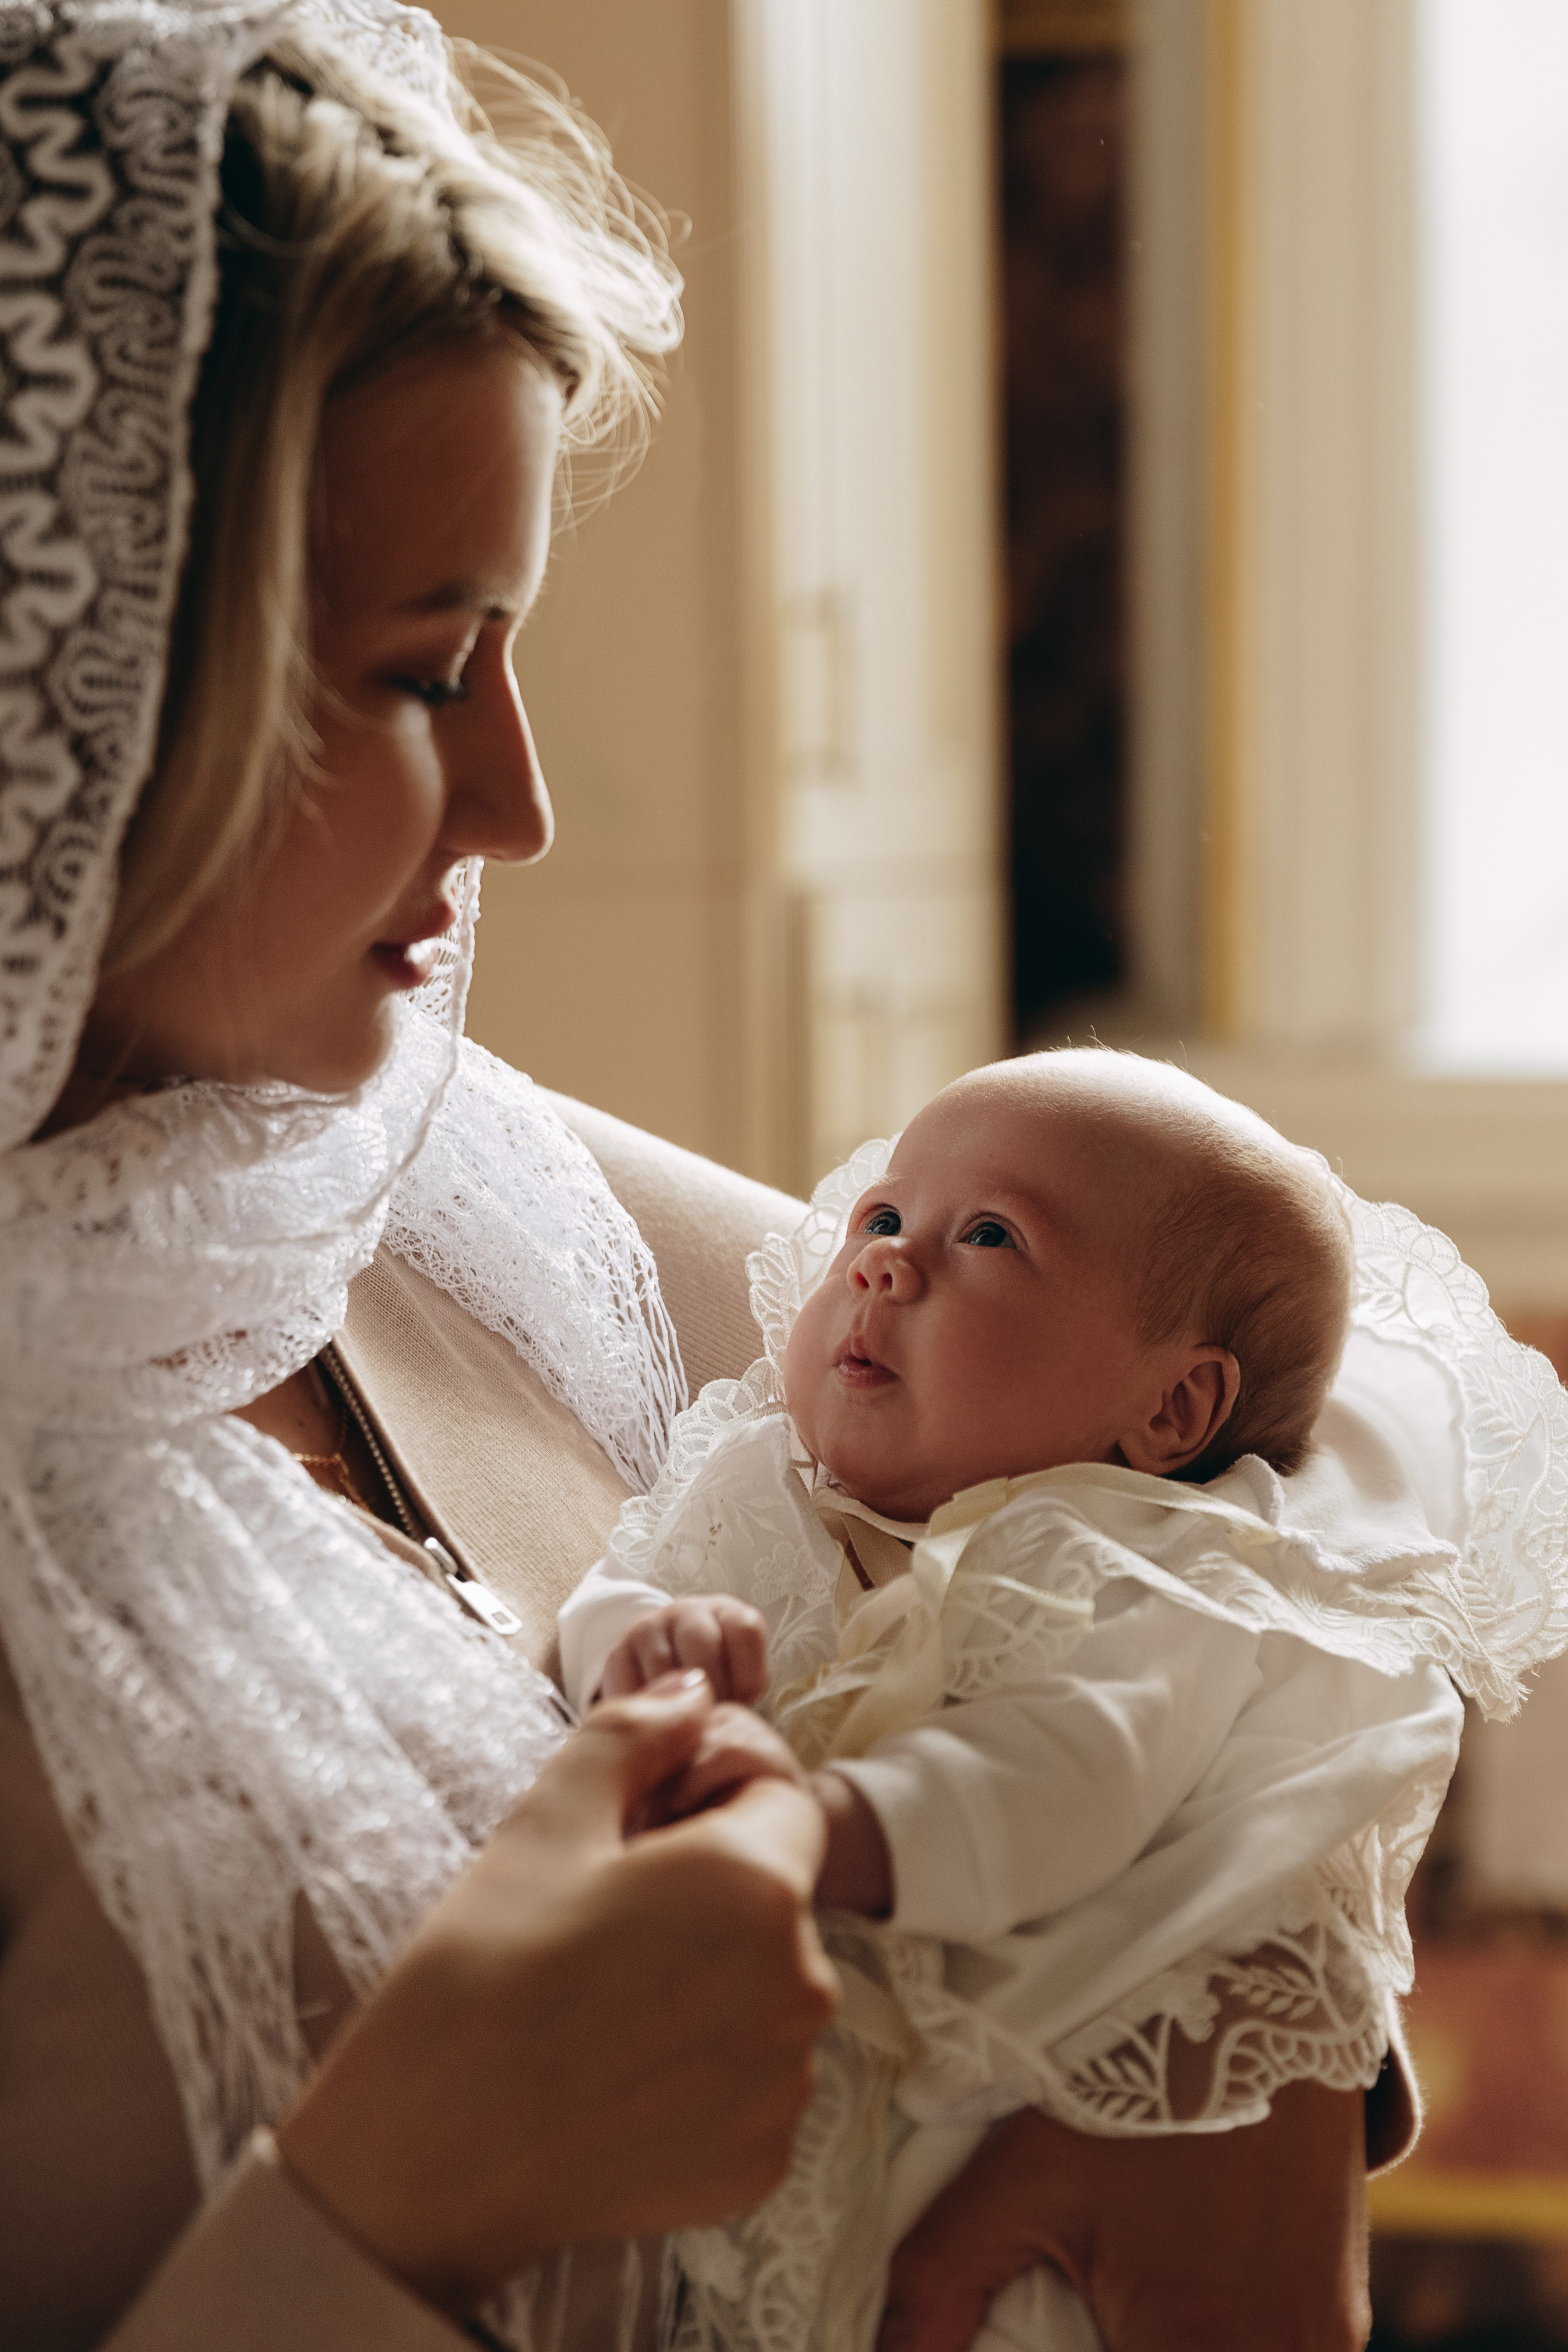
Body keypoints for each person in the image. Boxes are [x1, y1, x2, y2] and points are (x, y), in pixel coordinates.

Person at [0, 2, 1558, 2347]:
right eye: (425, 669)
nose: (520, 802)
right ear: (73, 691)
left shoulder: (401, 1156)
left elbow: (1292, 1404)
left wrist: (1252, 2029)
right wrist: (385, 2203)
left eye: (511, 646)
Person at [560, 1054, 1559, 2350]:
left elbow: (1075, 1774)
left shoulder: (1154, 1570)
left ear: (1172, 1409)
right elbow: (616, 1584)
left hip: (988, 2083)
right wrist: (637, 1647)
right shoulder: (760, 1478)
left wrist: (828, 1829)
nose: (881, 1264)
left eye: (986, 1236)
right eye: (878, 1217)